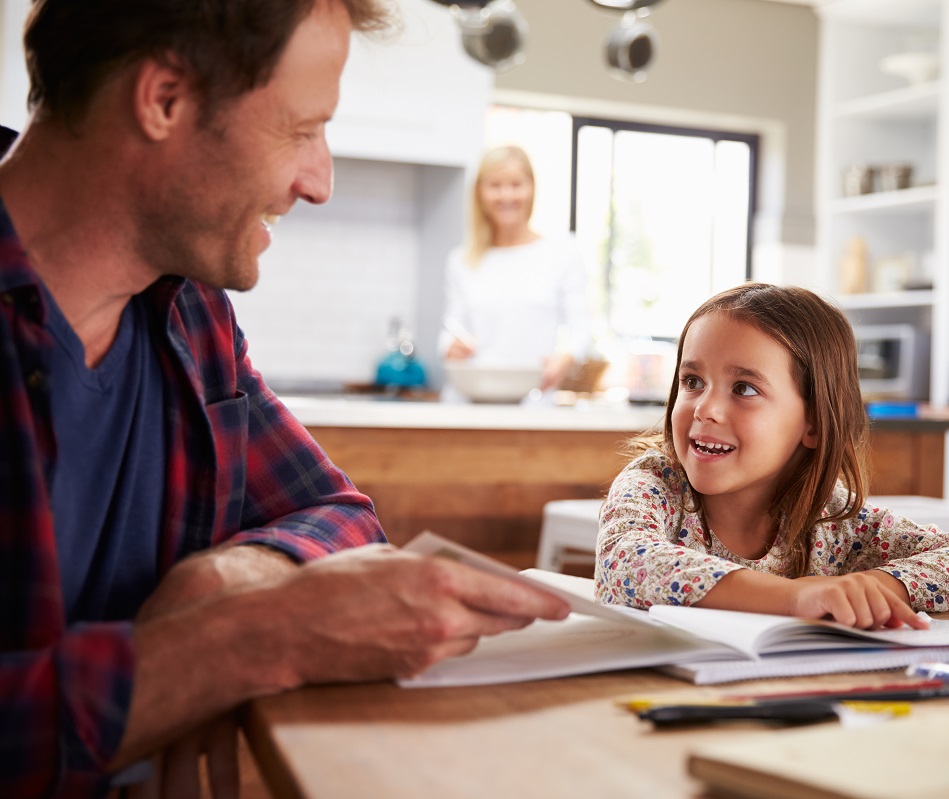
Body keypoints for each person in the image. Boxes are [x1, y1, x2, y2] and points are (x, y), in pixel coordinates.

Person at [0, 1, 569, 796]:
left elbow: (341, 513)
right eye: (303, 128)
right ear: (164, 100)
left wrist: (228, 579)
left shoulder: (193, 317)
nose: (320, 180)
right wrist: (244, 641)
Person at [594, 283, 949, 627]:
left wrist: (867, 590)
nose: (704, 409)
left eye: (744, 389)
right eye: (693, 381)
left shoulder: (831, 515)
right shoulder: (654, 485)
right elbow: (626, 564)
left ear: (814, 424)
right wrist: (794, 598)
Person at [441, 145, 591, 392]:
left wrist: (565, 359)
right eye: (495, 185)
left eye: (516, 184)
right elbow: (450, 328)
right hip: (471, 401)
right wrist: (451, 347)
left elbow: (581, 328)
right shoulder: (461, 260)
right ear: (479, 192)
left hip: (534, 401)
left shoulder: (562, 254)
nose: (506, 196)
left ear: (532, 189)